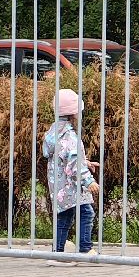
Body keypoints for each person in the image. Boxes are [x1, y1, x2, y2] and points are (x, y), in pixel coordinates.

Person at [43, 89, 100, 263]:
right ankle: (84, 248)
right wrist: (88, 180)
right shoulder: (69, 136)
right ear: (72, 113)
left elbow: (64, 157)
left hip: (60, 185)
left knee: (64, 217)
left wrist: (86, 162)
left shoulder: (54, 132)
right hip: (72, 185)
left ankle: (58, 253)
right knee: (86, 213)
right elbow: (74, 162)